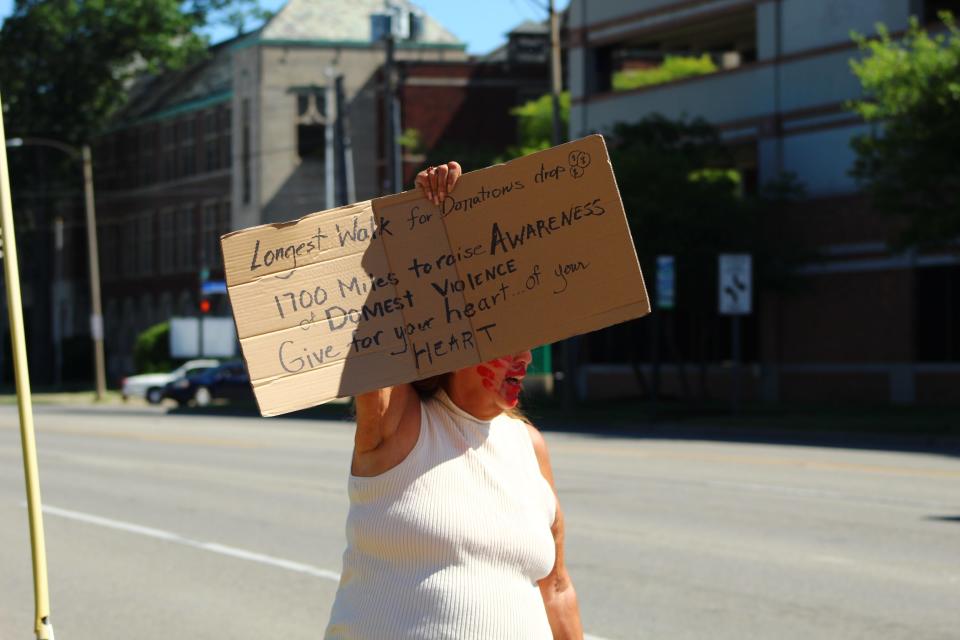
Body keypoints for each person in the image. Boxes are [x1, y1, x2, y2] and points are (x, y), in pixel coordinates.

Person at [324, 162, 583, 639]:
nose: (525, 358)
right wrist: (426, 221)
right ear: (460, 342)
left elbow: (556, 587)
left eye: (530, 342)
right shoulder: (398, 424)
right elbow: (380, 331)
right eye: (509, 341)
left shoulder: (528, 444)